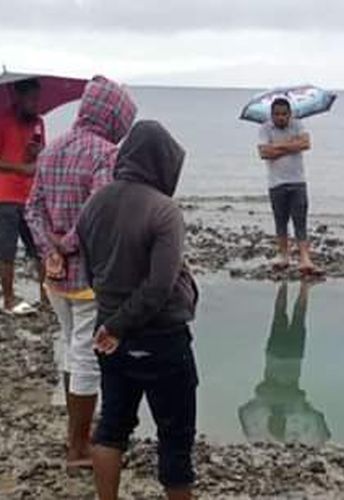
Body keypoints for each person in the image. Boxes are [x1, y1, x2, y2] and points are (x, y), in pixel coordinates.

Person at [77, 121, 199, 500]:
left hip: (110, 340)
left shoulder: (93, 203)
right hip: (161, 338)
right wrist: (120, 324)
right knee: (175, 437)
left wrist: (111, 324)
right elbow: (160, 287)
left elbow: (88, 272)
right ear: (162, 163)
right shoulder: (164, 211)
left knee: (112, 427)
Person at [26, 75, 137, 470]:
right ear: (113, 117)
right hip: (90, 276)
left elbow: (33, 208)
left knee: (71, 347)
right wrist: (68, 246)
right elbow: (99, 214)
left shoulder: (52, 149)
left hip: (56, 277)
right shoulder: (107, 154)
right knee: (87, 356)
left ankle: (77, 434)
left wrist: (49, 250)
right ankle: (78, 447)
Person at [238, 281, 330, 447]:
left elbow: (246, 408)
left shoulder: (283, 405)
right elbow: (246, 408)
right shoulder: (274, 404)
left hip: (288, 358)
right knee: (286, 316)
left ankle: (291, 286)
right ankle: (293, 287)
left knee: (291, 317)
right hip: (284, 358)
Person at [257, 98, 323, 276]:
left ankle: (304, 258)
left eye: (284, 114)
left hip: (297, 181)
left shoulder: (297, 125)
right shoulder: (265, 128)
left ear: (289, 114)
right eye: (276, 114)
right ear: (271, 115)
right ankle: (283, 255)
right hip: (276, 182)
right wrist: (291, 145)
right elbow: (264, 153)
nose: (280, 117)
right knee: (281, 220)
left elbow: (305, 144)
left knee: (300, 220)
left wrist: (277, 147)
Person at [0, 78, 45, 315]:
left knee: (39, 247)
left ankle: (46, 298)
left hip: (31, 195)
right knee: (6, 251)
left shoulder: (39, 123)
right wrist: (21, 168)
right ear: (18, 96)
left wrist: (36, 155)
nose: (36, 104)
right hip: (5, 196)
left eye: (38, 99)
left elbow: (40, 157)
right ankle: (8, 298)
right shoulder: (3, 121)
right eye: (31, 99)